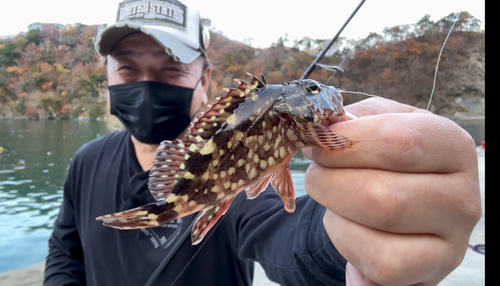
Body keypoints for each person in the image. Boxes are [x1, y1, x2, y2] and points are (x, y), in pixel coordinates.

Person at [43, 0, 482, 285]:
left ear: (204, 79)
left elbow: (285, 231)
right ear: (107, 75)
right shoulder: (86, 162)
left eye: (171, 69)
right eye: (127, 68)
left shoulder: (243, 182)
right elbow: (65, 255)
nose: (146, 85)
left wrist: (355, 232)